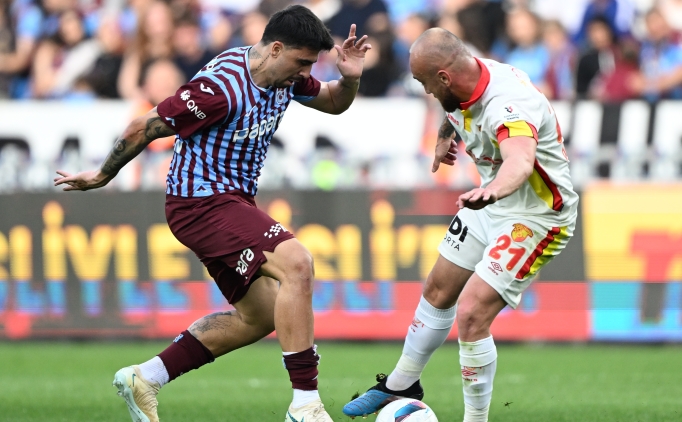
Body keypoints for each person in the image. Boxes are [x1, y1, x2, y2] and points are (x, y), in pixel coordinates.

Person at [54, 5, 371, 422]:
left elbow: (332, 101)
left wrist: (350, 79)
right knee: (298, 263)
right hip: (199, 203)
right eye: (302, 62)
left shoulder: (284, 76)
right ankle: (305, 404)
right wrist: (102, 174)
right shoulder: (219, 89)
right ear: (276, 49)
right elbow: (143, 126)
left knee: (261, 315)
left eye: (311, 64)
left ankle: (145, 377)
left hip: (233, 202)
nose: (305, 72)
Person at [343, 28, 578, 422]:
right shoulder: (466, 77)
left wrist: (492, 191)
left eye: (425, 83)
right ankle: (401, 384)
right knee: (438, 288)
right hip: (490, 200)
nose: (426, 91)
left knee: (471, 313)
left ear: (444, 76)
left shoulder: (509, 105)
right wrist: (444, 134)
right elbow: (458, 106)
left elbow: (520, 161)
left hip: (535, 215)